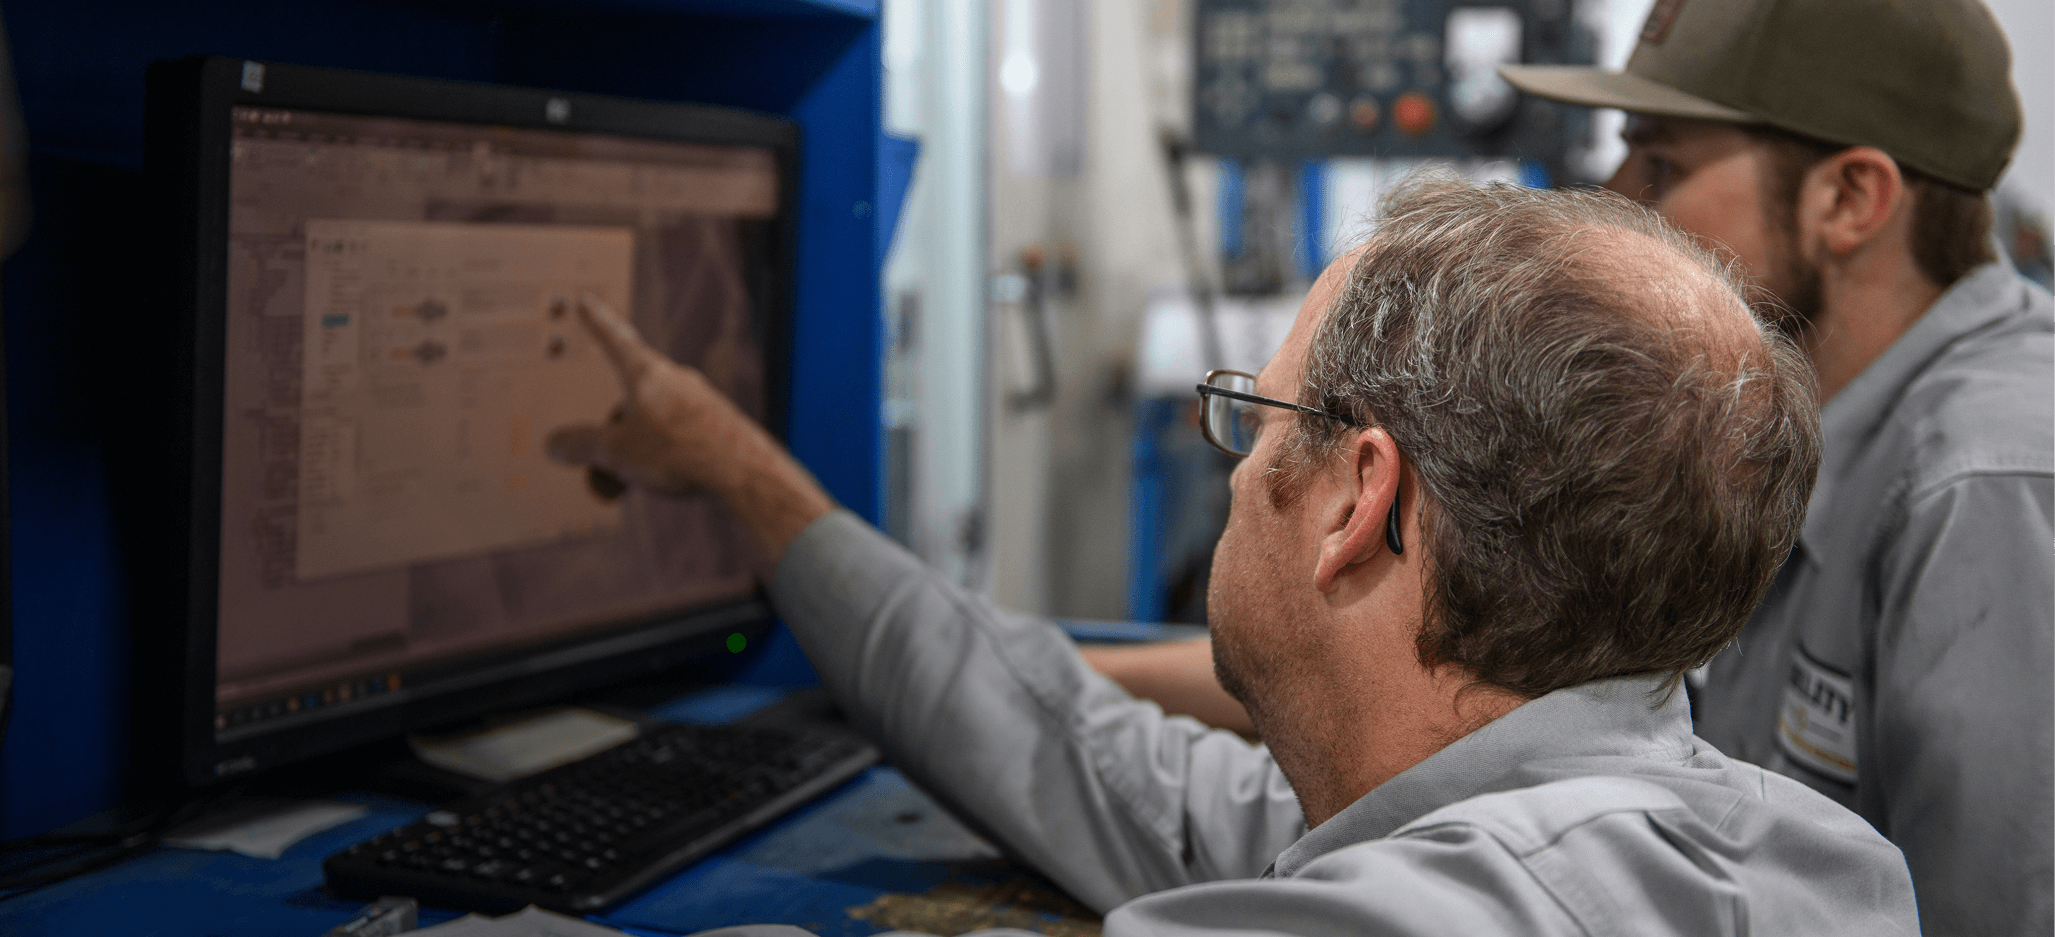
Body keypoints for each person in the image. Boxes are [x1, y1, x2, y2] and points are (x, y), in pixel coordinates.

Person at [549, 178, 1919, 934]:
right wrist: (740, 474)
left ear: (1353, 501)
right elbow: (1066, 748)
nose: (1234, 462)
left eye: (1254, 418)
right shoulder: (1798, 852)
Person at [1098, 2, 2055, 931]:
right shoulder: (1783, 434)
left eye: (1661, 159)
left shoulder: (1987, 485)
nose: (1617, 193)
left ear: (1849, 197)